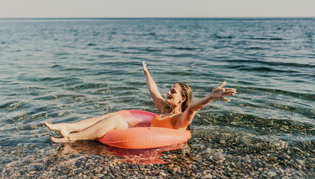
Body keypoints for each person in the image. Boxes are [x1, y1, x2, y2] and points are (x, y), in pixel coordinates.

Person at [46, 61, 236, 143]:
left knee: (116, 120)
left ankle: (72, 138)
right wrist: (147, 73)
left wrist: (211, 96)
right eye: (170, 89)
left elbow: (194, 108)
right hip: (138, 132)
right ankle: (67, 126)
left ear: (182, 98)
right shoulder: (164, 109)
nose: (168, 92)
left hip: (154, 140)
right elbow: (153, 89)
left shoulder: (180, 119)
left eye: (173, 91)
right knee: (115, 116)